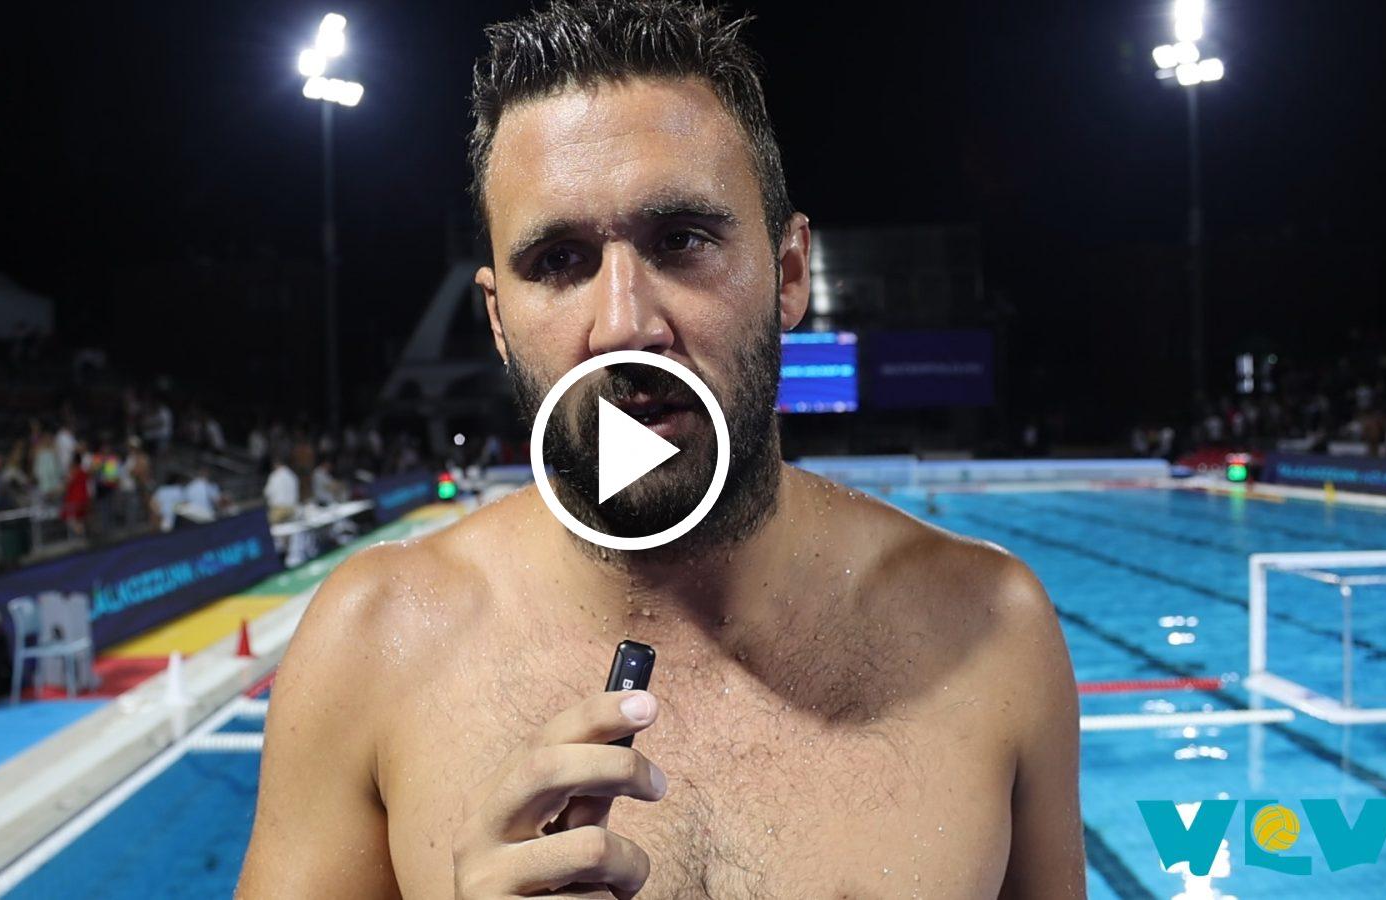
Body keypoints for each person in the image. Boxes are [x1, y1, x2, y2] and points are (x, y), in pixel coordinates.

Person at [238, 3, 1084, 897]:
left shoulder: (990, 635)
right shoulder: (371, 647)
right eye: (559, 261)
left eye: (681, 242)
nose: (624, 326)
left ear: (789, 274)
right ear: (498, 321)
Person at [61, 450, 91, 539]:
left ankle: (80, 536)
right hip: (83, 498)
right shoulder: (83, 472)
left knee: (70, 519)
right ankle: (82, 536)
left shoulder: (74, 472)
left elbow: (67, 484)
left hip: (75, 499)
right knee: (79, 520)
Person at [263, 455, 299, 524]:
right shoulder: (293, 475)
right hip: (292, 508)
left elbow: (267, 492)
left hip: (278, 509)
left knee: (276, 528)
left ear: (275, 464)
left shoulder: (274, 476)